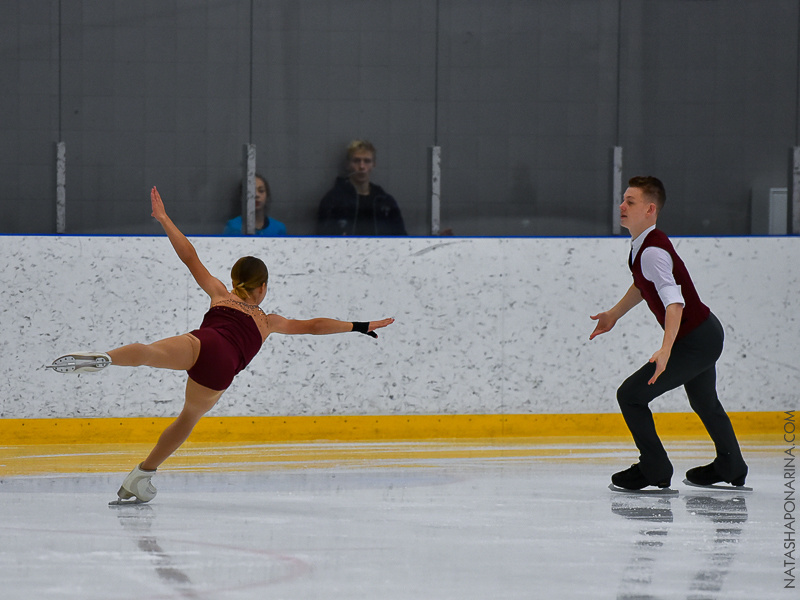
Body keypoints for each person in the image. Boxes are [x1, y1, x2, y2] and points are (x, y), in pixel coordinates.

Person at [48, 186, 394, 504]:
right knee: (187, 418)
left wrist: (164, 218)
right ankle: (143, 474)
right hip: (221, 368)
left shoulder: (220, 294)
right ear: (262, 287)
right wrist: (359, 326)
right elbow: (314, 326)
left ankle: (106, 357)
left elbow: (190, 257)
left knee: (150, 352)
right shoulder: (268, 321)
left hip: (203, 341)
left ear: (235, 280)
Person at [589, 176, 747, 491]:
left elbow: (674, 303)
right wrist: (614, 314)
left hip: (696, 340)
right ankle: (731, 465)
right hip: (704, 334)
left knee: (630, 396)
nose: (621, 206)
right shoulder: (644, 245)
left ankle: (654, 468)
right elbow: (642, 284)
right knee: (704, 401)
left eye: (630, 202)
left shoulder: (652, 251)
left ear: (650, 209)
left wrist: (666, 350)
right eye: (623, 200)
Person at [316, 140, 407, 236]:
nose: (362, 166)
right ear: (348, 164)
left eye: (367, 161)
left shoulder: (385, 202)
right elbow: (323, 238)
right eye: (356, 161)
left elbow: (401, 238)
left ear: (374, 164)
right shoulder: (334, 200)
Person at [223, 173, 287, 236]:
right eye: (251, 191)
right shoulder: (233, 226)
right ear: (242, 197)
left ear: (267, 196)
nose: (256, 195)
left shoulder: (278, 228)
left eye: (261, 191)